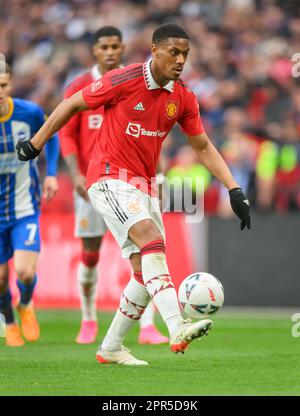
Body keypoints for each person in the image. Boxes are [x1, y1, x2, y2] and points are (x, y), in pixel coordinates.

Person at [16, 23, 251, 365]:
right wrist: (37, 143)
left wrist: (234, 187)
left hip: (144, 185)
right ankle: (177, 325)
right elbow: (72, 104)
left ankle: (110, 347)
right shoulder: (123, 80)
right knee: (151, 241)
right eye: (174, 52)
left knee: (144, 271)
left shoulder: (182, 96)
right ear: (155, 51)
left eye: (185, 53)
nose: (181, 60)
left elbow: (202, 145)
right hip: (108, 177)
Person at [59, 26, 168, 345]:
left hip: (130, 182)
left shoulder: (137, 82)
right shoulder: (80, 86)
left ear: (122, 48)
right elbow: (66, 132)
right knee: (90, 254)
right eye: (104, 46)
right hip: (91, 184)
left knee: (144, 253)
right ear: (94, 50)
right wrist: (75, 173)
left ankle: (148, 327)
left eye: (115, 46)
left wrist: (156, 175)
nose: (110, 52)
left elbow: (151, 133)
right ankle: (89, 319)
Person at [0, 63, 59, 347]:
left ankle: (25, 303)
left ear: (10, 85)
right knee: (0, 279)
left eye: (3, 86)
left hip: (25, 208)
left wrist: (51, 174)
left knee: (24, 272)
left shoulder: (29, 113)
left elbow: (53, 132)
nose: (0, 93)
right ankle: (9, 321)